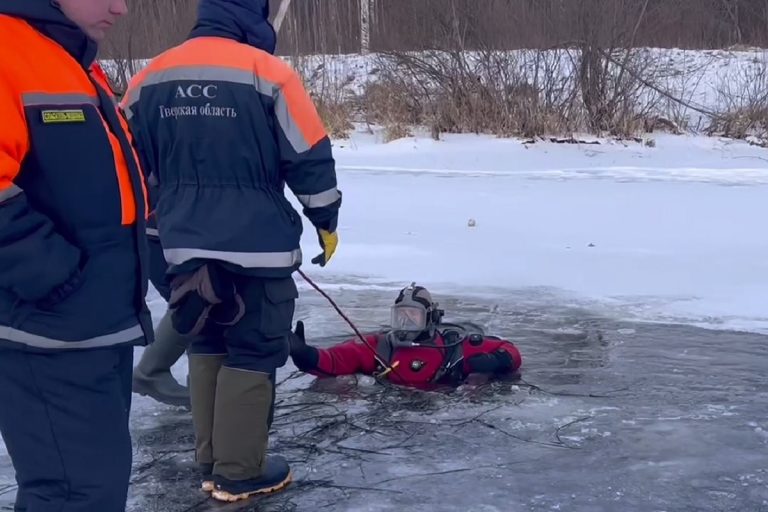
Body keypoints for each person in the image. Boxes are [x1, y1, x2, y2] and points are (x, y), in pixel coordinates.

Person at [121, 0, 342, 503]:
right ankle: (240, 471)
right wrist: (325, 220)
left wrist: (158, 221)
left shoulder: (149, 77)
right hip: (255, 247)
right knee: (254, 347)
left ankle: (210, 460)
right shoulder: (270, 74)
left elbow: (127, 163)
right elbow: (309, 156)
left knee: (206, 340)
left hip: (178, 247)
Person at [0, 0, 154, 510]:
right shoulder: (7, 49)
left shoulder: (70, 58)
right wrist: (52, 276)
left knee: (93, 488)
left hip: (95, 322)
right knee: (74, 495)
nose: (121, 7)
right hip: (46, 331)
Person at [290, 285, 523, 388]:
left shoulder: (454, 347)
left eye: (413, 316)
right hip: (390, 411)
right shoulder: (379, 348)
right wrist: (303, 354)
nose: (406, 322)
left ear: (430, 318)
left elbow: (510, 351)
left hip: (442, 413)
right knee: (332, 385)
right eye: (401, 316)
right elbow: (334, 361)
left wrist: (496, 361)